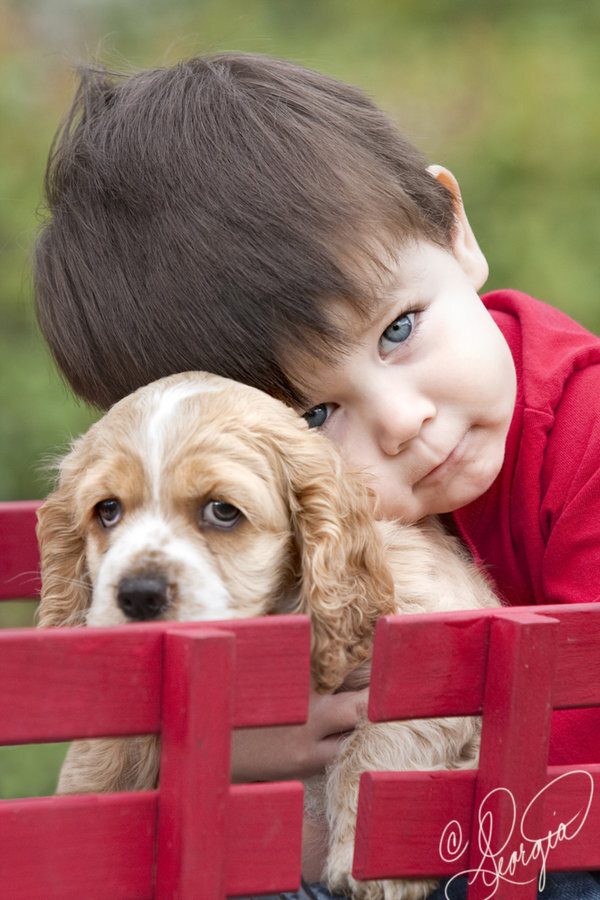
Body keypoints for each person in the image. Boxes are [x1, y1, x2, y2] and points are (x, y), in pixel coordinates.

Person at [33, 52, 600, 897]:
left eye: (400, 328)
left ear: (454, 230)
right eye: (312, 416)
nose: (404, 420)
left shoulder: (586, 435)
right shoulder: (311, 518)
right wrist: (224, 739)